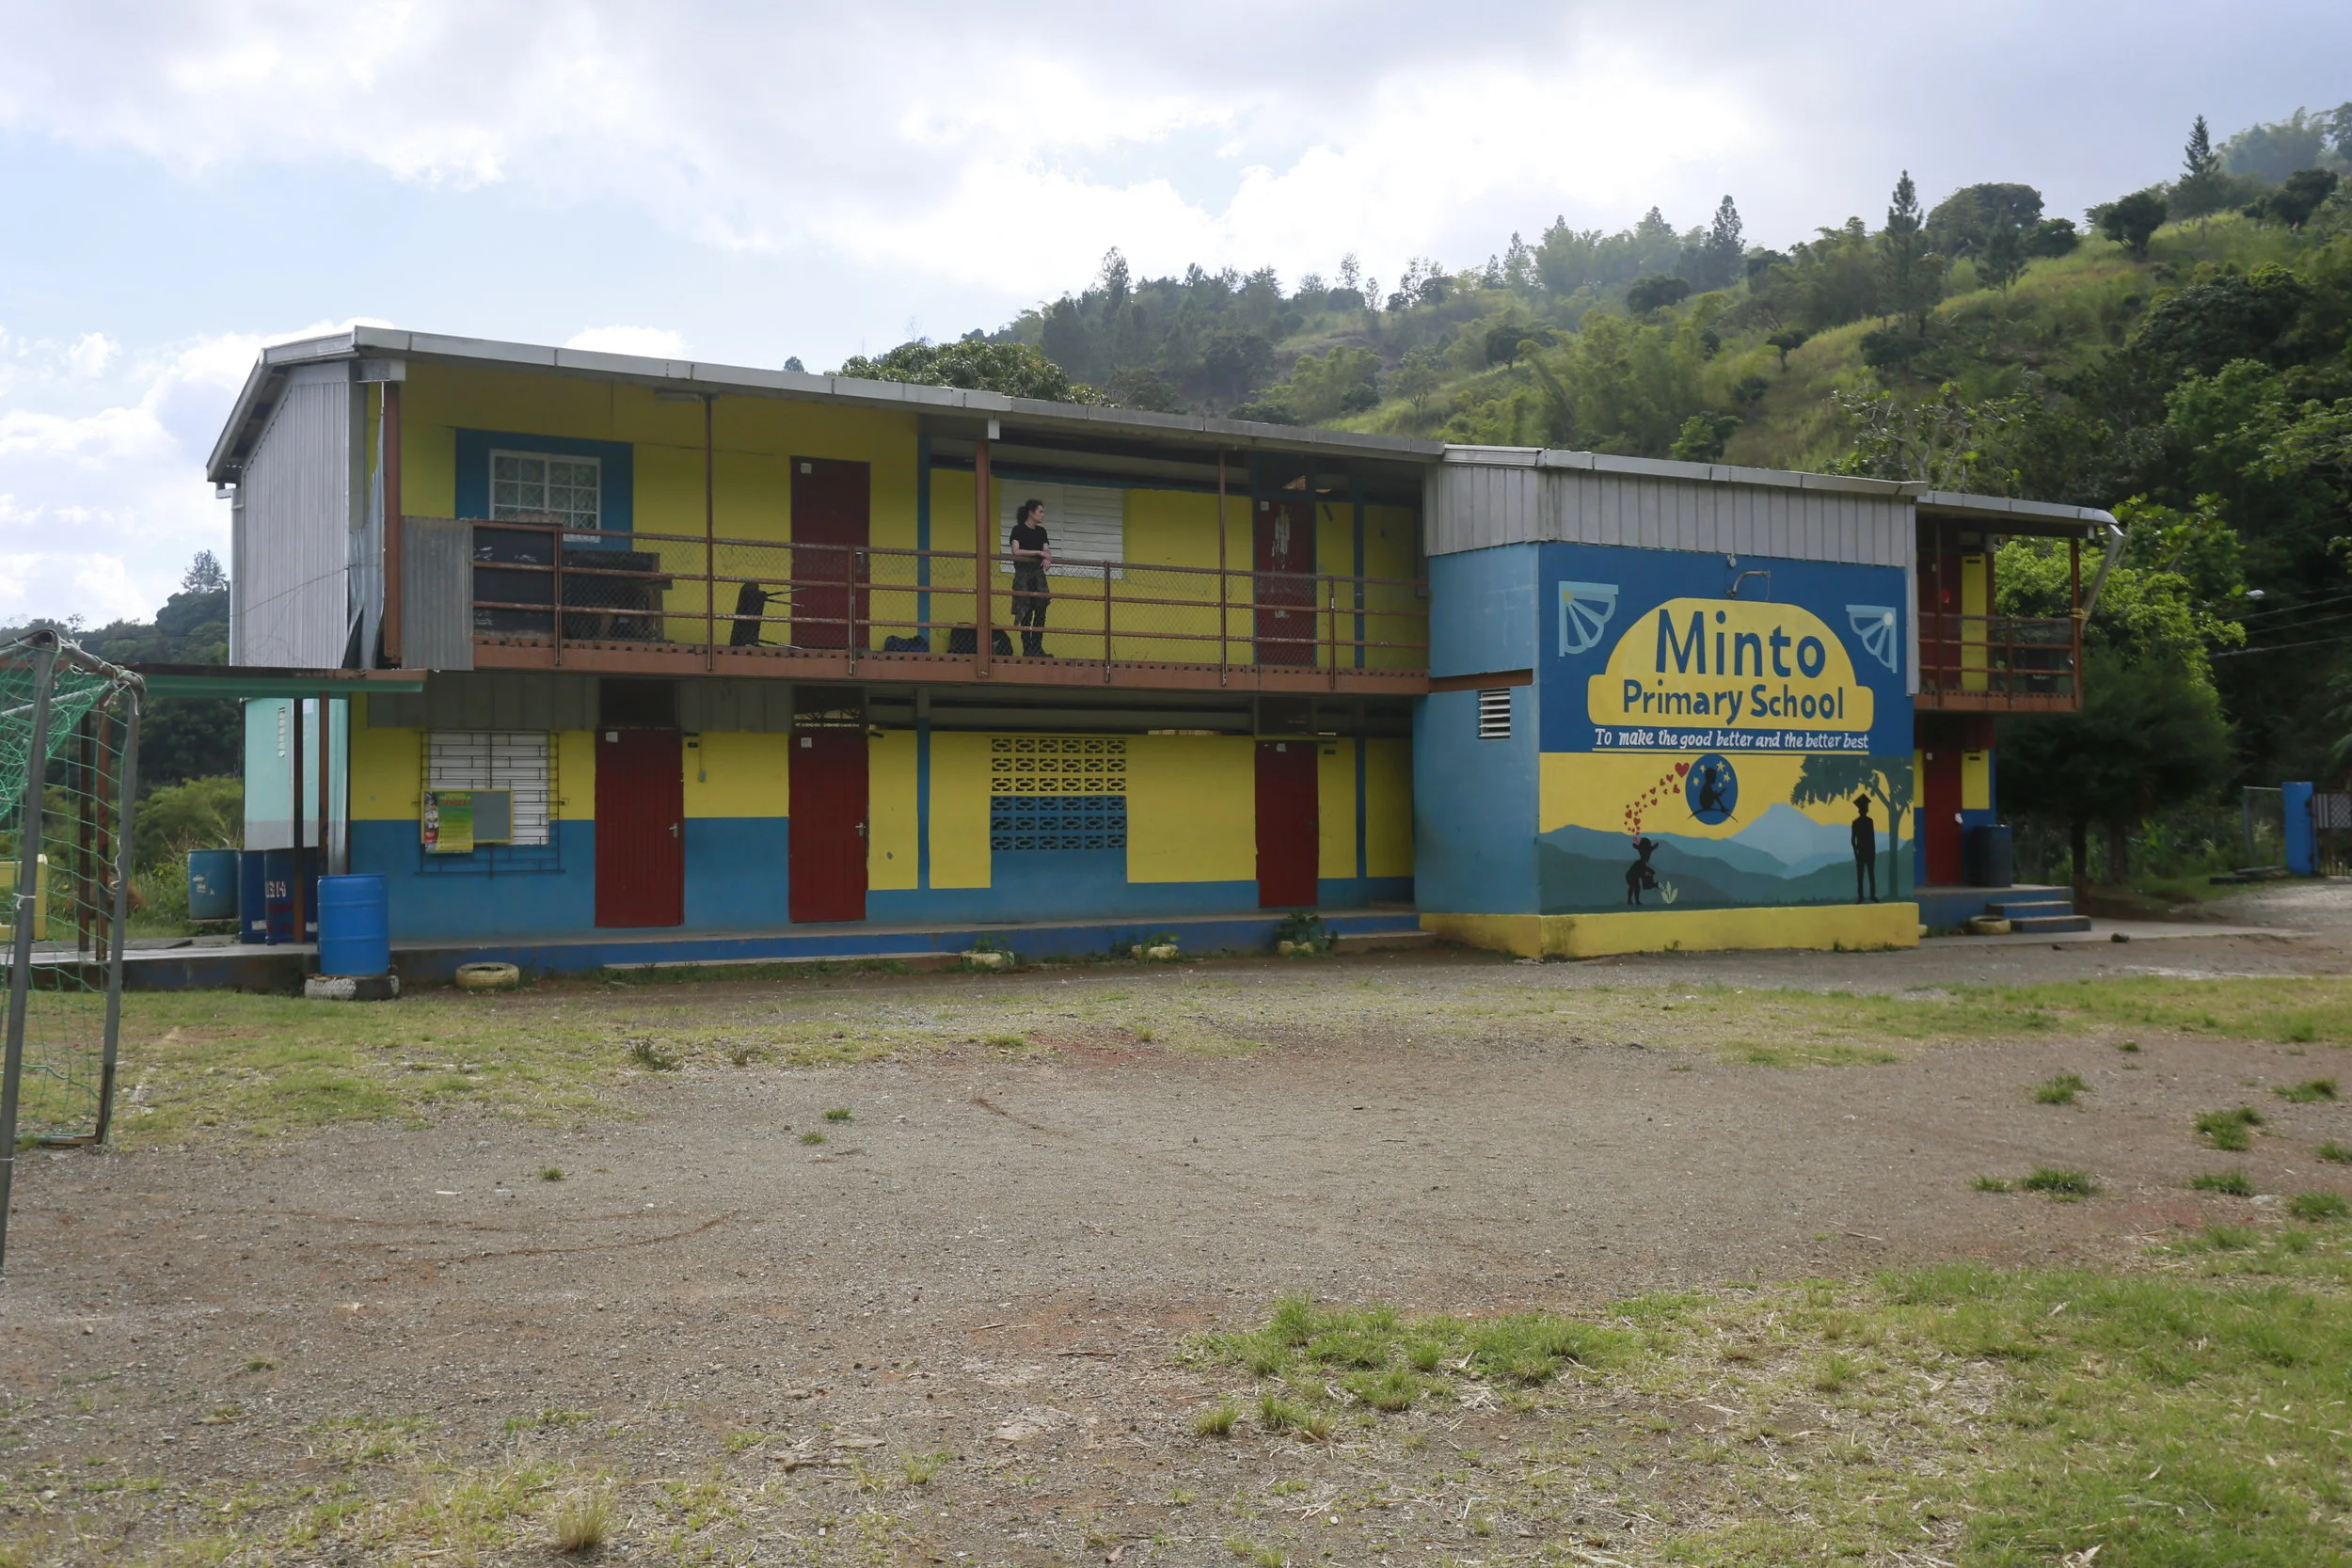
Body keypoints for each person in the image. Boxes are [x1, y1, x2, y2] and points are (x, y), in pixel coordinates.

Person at [1009, 499, 1053, 657]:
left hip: (1038, 576)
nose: (1043, 515)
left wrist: (1047, 557)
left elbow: (1047, 549)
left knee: (1041, 610)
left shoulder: (1042, 532)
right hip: (1023, 575)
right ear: (1031, 513)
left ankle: (1037, 647)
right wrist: (1038, 553)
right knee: (1026, 612)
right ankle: (1028, 649)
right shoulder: (1018, 530)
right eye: (1040, 511)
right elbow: (1016, 551)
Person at [1851, 795, 1879, 903]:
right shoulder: (1863, 822)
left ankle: (1866, 896)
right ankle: (1866, 896)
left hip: (1865, 852)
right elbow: (1854, 839)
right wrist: (1856, 853)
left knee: (1865, 876)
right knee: (1866, 876)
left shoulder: (1862, 822)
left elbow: (1854, 840)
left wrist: (1856, 853)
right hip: (1865, 852)